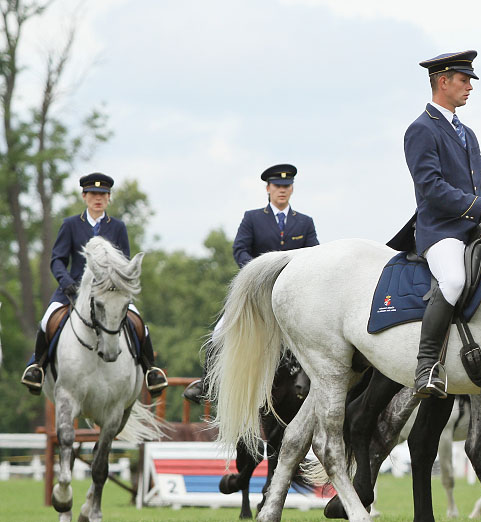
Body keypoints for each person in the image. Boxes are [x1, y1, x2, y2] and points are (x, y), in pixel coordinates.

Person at [401, 50, 481, 399]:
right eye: (464, 80)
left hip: (473, 229)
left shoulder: (466, 132)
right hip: (441, 230)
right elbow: (432, 187)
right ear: (443, 81)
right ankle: (427, 365)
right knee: (454, 279)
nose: (470, 87)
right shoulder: (421, 129)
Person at [21, 173, 168, 395]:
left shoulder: (117, 227)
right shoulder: (70, 224)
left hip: (109, 292)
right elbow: (58, 259)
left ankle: (151, 371)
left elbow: (125, 261)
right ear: (84, 196)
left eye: (102, 195)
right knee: (46, 320)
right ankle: (36, 367)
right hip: (72, 290)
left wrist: (119, 285)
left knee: (139, 323)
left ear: (109, 198)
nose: (98, 199)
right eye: (93, 194)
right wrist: (67, 282)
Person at [182, 164, 318, 402]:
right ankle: (208, 383)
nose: (282, 190)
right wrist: (256, 272)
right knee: (220, 330)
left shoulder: (305, 223)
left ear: (292, 189)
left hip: (293, 294)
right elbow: (240, 250)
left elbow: (314, 254)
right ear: (268, 188)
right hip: (258, 291)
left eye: (286, 186)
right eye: (277, 186)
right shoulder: (253, 218)